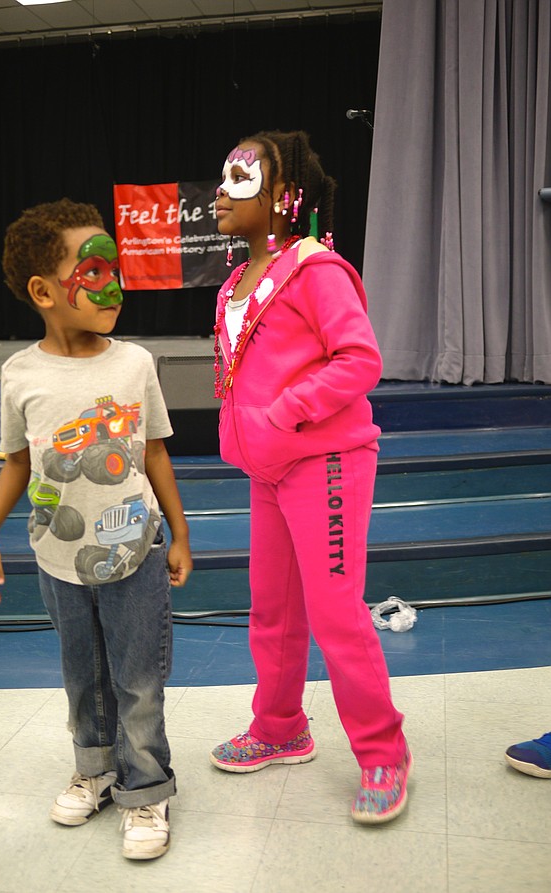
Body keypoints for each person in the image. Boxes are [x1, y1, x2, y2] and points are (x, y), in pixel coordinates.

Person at [0, 198, 192, 860]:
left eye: (113, 268)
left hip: (135, 552)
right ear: (43, 291)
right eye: (90, 271)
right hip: (58, 556)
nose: (110, 285)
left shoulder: (133, 364)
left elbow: (154, 451)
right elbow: (18, 462)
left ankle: (145, 786)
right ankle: (96, 768)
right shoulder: (21, 375)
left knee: (136, 677)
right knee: (83, 675)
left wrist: (179, 532)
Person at [210, 130, 411, 823]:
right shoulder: (238, 281)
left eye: (239, 180)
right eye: (222, 179)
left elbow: (360, 359)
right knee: (272, 607)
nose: (218, 194)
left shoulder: (317, 270)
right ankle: (280, 725)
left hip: (324, 460)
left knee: (335, 612)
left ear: (284, 197)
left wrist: (283, 413)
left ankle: (384, 750)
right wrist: (251, 433)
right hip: (268, 466)